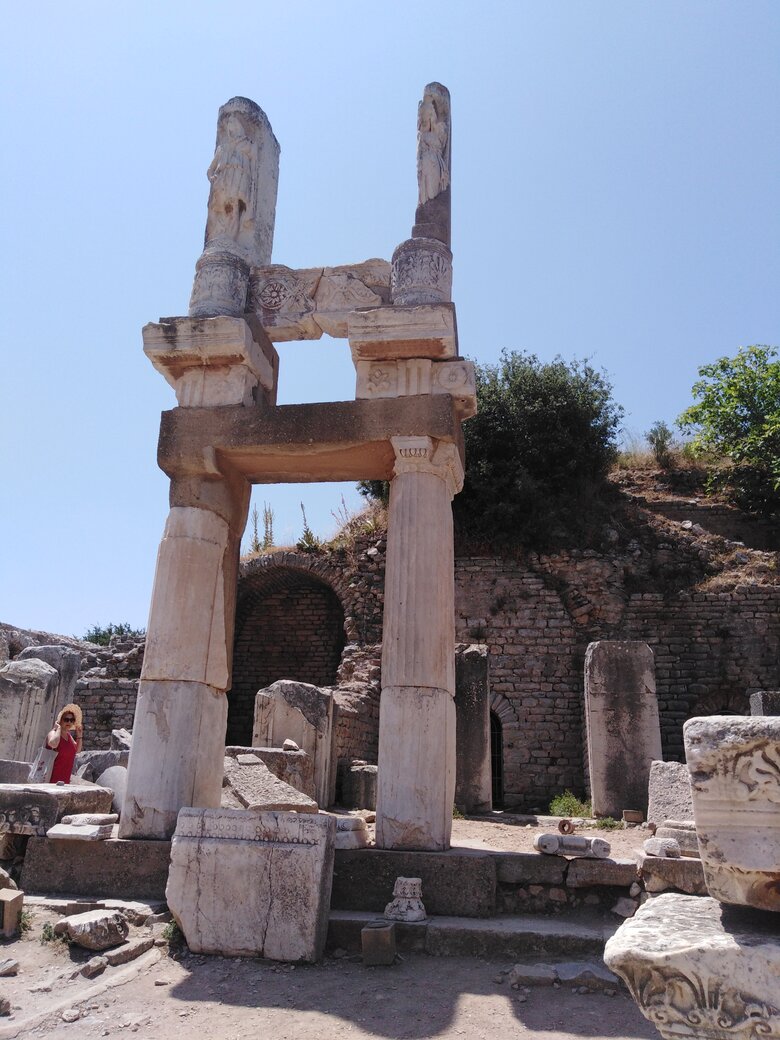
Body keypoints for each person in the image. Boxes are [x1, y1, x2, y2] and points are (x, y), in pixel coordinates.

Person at [45, 704, 83, 784]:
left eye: (72, 720)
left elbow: (77, 750)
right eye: (66, 719)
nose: (69, 722)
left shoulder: (69, 736)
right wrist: (58, 728)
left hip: (64, 781)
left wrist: (79, 736)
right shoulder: (52, 733)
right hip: (50, 781)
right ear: (60, 721)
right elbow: (53, 744)